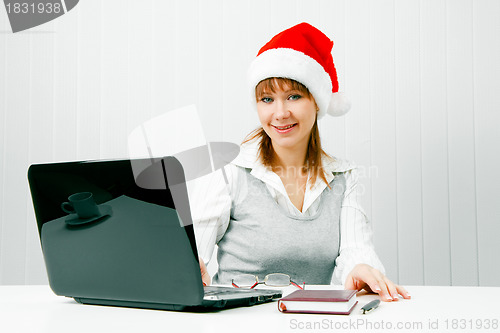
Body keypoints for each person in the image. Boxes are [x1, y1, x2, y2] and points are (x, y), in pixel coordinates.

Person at [190, 22, 410, 302]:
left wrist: (361, 269)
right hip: (237, 321)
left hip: (308, 319)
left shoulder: (343, 177)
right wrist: (188, 263)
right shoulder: (229, 170)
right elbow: (194, 247)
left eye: (294, 96)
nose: (280, 113)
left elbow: (357, 250)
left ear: (317, 101)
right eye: (267, 99)